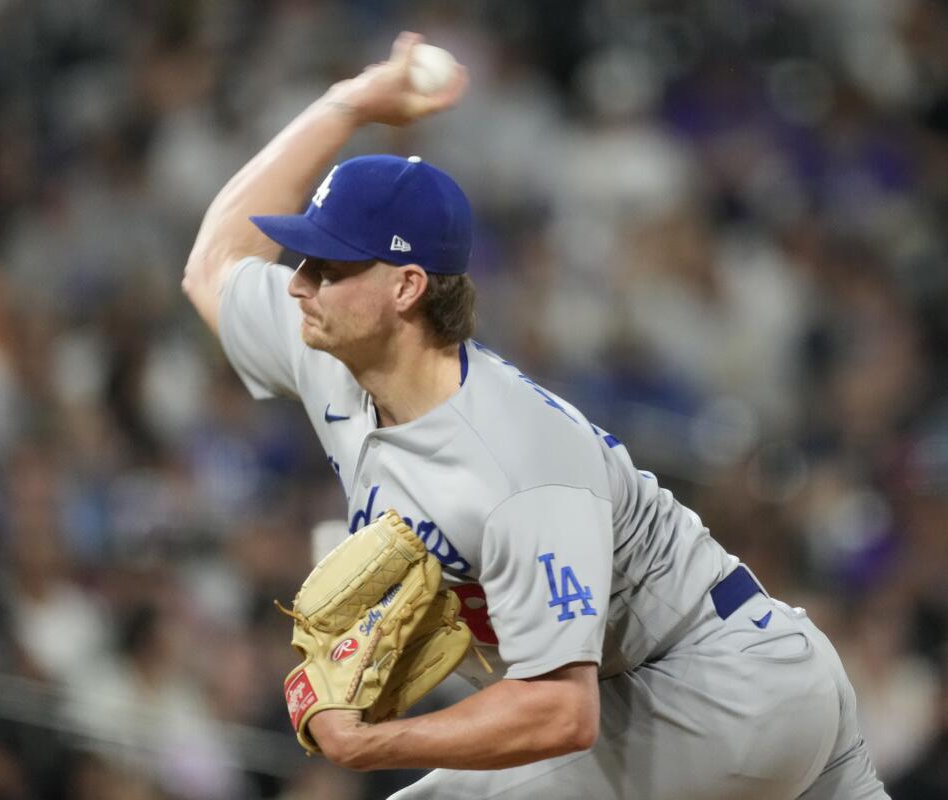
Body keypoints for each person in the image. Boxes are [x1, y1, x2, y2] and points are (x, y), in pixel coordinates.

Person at [183, 31, 890, 800]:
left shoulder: (515, 460)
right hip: (735, 678)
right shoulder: (329, 351)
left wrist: (371, 743)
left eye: (328, 266)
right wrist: (347, 104)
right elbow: (214, 265)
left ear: (406, 288)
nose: (299, 284)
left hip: (712, 686)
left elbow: (560, 713)